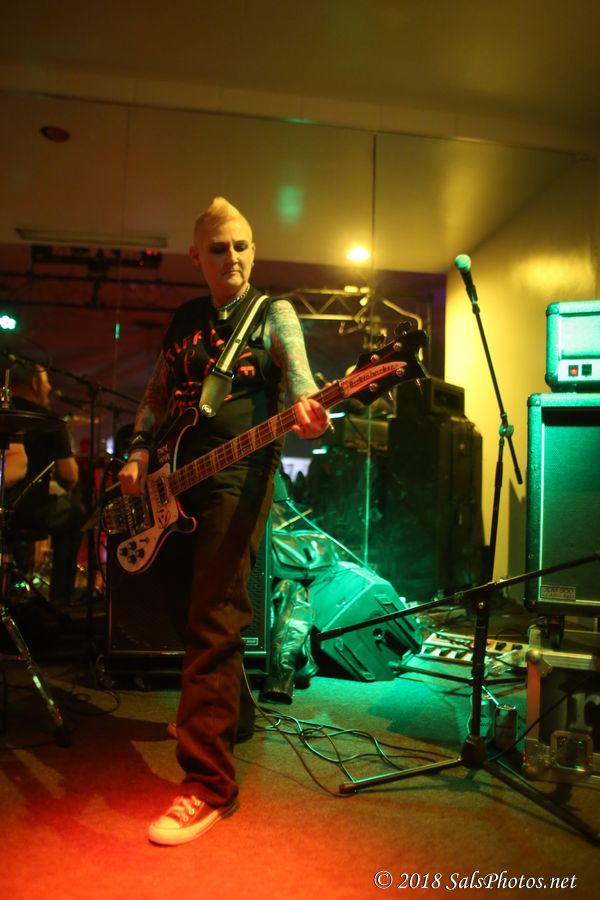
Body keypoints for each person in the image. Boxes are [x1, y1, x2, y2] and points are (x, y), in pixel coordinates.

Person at [119, 197, 330, 846]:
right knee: (181, 606)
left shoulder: (274, 313)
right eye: (219, 248)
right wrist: (139, 452)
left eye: (241, 246)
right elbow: (157, 395)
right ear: (196, 257)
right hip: (174, 478)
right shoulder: (186, 319)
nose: (232, 257)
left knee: (215, 616)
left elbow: (301, 381)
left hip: (241, 473)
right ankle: (231, 716)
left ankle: (209, 785)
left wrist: (310, 411)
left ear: (254, 251)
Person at [5, 362, 85, 606]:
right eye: (47, 382)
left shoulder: (4, 412)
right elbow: (68, 475)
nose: (50, 388)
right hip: (30, 510)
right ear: (35, 383)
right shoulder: (49, 421)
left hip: (3, 507)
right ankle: (60, 599)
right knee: (75, 517)